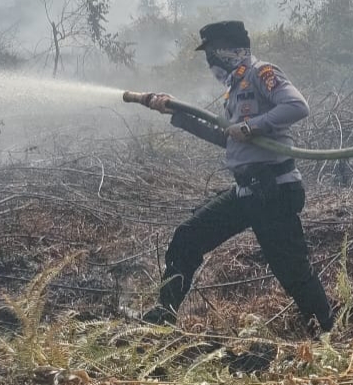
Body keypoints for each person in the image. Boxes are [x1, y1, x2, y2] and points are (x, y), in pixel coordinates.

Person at [141, 20, 334, 333]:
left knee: (293, 272)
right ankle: (163, 317)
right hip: (247, 193)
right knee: (187, 237)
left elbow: (297, 106)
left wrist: (252, 126)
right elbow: (226, 137)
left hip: (274, 192)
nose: (210, 63)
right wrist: (178, 116)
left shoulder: (262, 73)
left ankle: (327, 332)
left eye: (212, 54)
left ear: (228, 51)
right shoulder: (234, 88)